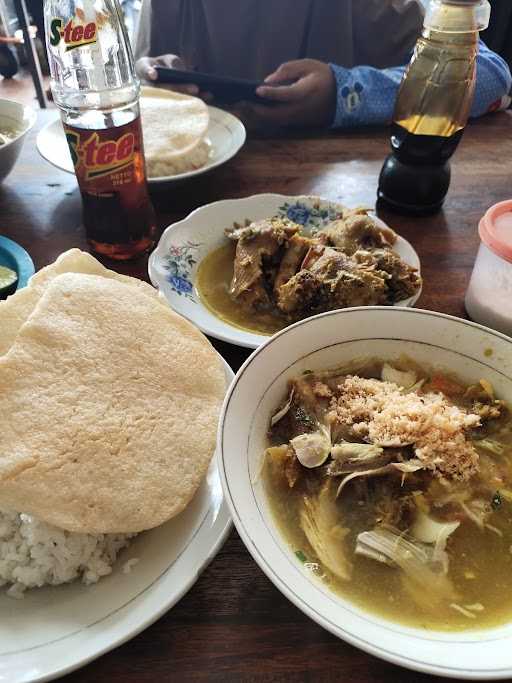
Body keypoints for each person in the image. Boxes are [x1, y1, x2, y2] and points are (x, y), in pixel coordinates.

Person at [135, 0, 512, 129]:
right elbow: (131, 94)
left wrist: (344, 94)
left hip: (339, 204)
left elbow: (491, 74)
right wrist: (154, 96)